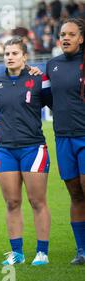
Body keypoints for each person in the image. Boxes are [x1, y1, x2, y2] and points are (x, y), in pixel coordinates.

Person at [0, 37, 53, 266]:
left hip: (33, 148)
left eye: (15, 53)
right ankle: (17, 253)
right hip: (5, 150)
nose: (10, 57)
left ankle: (42, 252)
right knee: (12, 202)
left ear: (25, 56)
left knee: (37, 201)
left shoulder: (37, 79)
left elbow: (56, 103)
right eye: (7, 53)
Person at [45, 18, 85, 264]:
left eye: (71, 34)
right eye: (62, 34)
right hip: (62, 137)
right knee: (76, 194)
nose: (66, 38)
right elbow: (48, 98)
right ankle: (81, 251)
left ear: (81, 38)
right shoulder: (52, 65)